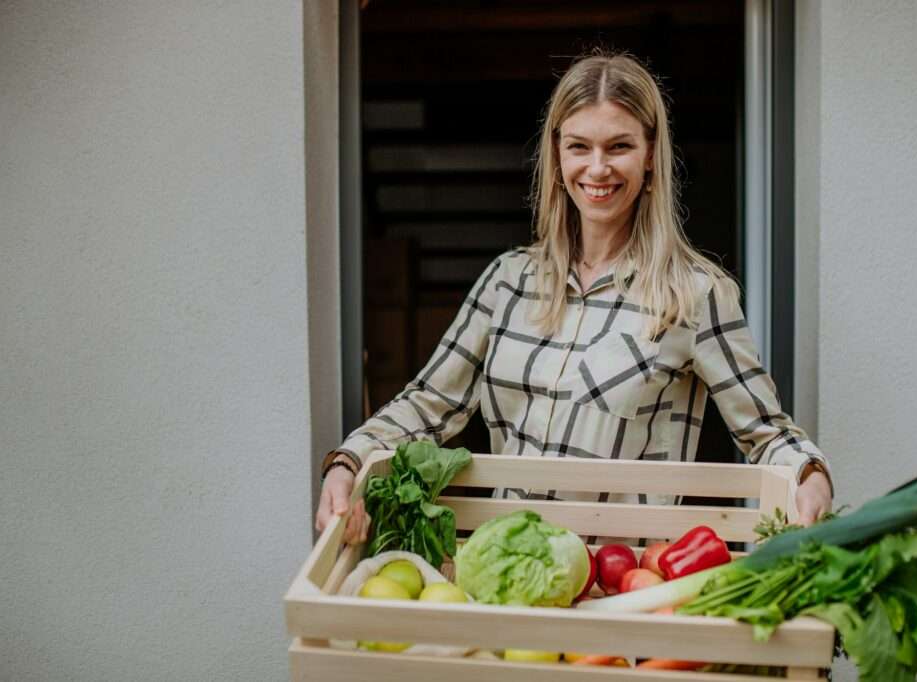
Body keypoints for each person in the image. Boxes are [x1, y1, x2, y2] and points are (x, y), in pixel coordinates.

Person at [316, 50, 833, 545]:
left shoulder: (695, 295)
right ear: (557, 153)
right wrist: (348, 462)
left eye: (619, 146)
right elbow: (428, 406)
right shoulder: (508, 281)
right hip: (506, 567)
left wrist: (810, 475)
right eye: (579, 146)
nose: (597, 168)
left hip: (619, 584)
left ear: (651, 156)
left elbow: (765, 433)